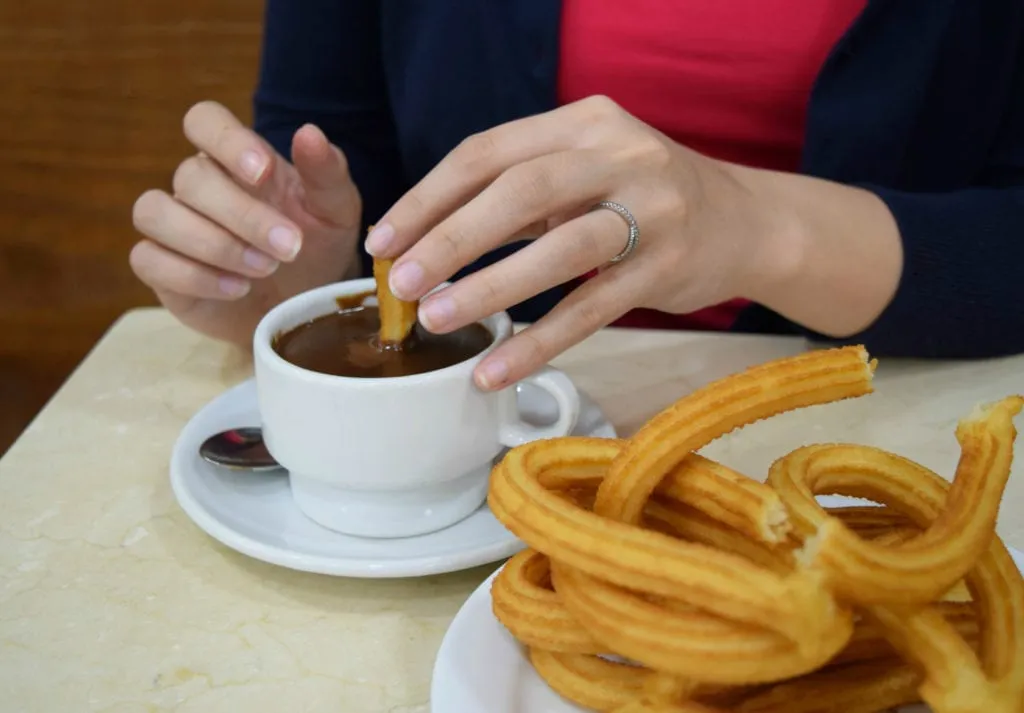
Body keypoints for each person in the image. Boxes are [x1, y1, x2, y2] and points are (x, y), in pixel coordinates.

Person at [130, 1, 1024, 391]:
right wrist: (298, 266)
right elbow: (330, 146)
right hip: (476, 448)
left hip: (882, 430)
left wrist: (753, 226)